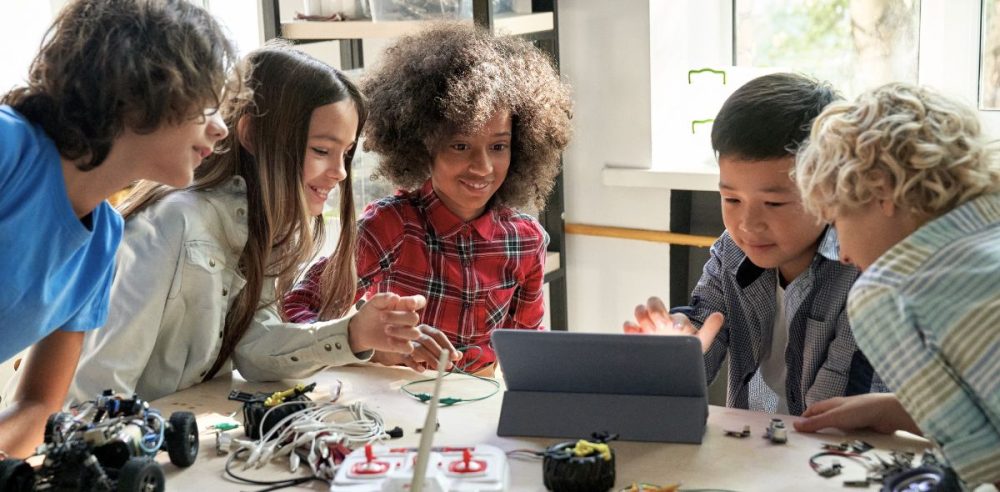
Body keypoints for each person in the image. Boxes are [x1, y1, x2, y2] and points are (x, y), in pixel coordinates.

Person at [67, 44, 428, 405]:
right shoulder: (172, 222)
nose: (340, 172)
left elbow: (255, 349)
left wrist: (353, 334)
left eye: (346, 153)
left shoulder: (266, 228)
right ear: (252, 135)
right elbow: (98, 387)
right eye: (321, 150)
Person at [0, 0, 240, 458]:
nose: (221, 128)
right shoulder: (8, 147)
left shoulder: (103, 239)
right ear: (138, 85)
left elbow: (38, 408)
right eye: (208, 105)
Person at [283, 23, 573, 374]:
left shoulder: (526, 241)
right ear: (423, 145)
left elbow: (529, 357)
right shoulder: (390, 227)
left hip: (476, 408)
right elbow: (297, 309)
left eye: (498, 146)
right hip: (399, 406)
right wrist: (369, 344)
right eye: (460, 146)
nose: (482, 166)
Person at [624, 73, 886, 416]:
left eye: (774, 204)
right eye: (731, 199)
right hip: (757, 453)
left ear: (829, 190)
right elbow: (703, 327)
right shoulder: (732, 252)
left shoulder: (862, 272)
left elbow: (832, 423)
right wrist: (676, 349)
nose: (747, 224)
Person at [793, 83, 1000, 486]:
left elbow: (985, 465)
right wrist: (892, 409)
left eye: (838, 222)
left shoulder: (888, 292)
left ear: (881, 189)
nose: (845, 253)